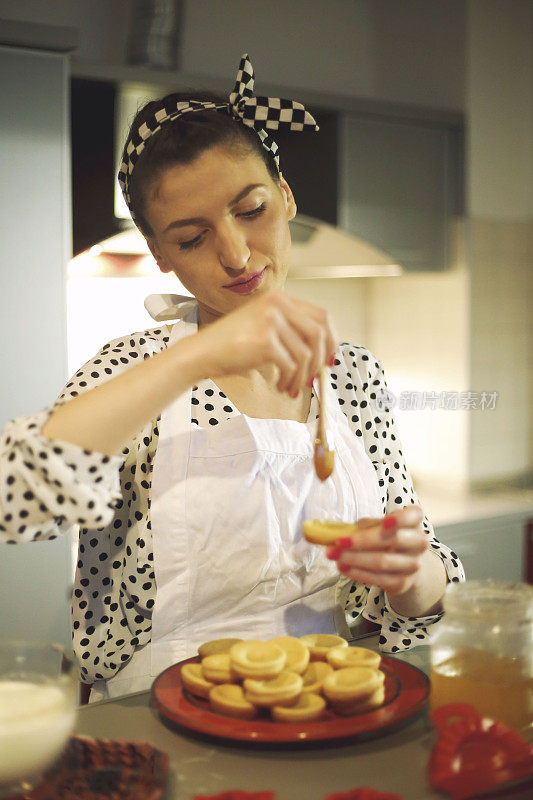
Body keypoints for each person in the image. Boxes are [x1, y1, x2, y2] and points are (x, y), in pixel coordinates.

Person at [0, 54, 464, 701]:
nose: (237, 254)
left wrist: (411, 580)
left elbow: (409, 587)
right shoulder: (135, 372)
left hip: (324, 710)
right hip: (156, 723)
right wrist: (195, 356)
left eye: (251, 208)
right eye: (191, 239)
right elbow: (13, 501)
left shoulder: (352, 376)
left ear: (286, 193)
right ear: (159, 253)